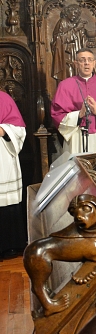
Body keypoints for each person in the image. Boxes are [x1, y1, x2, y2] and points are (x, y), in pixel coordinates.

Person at [50, 49, 96, 155]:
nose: (86, 63)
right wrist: (79, 114)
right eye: (82, 60)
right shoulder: (65, 86)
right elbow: (57, 114)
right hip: (76, 135)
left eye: (90, 60)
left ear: (94, 63)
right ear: (76, 63)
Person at [0, 90, 27, 257]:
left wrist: (3, 130)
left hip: (2, 155)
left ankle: (9, 245)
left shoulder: (3, 98)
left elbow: (19, 129)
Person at [51, 4, 96, 81]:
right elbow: (59, 39)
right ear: (67, 12)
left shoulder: (77, 24)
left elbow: (81, 40)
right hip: (66, 54)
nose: (75, 15)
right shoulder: (63, 22)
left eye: (77, 14)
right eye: (74, 13)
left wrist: (84, 33)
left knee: (79, 73)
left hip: (76, 53)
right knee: (69, 75)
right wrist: (76, 29)